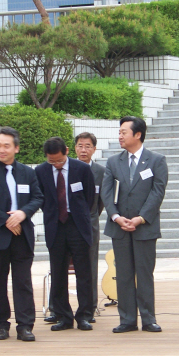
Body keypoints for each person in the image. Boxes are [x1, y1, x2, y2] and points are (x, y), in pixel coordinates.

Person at [0, 127, 43, 341]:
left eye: (6, 146)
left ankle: (25, 325)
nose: (1, 150)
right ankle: (0, 324)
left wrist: (22, 214)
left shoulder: (27, 172)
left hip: (22, 234)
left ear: (16, 148)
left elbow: (38, 198)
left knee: (22, 282)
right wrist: (6, 220)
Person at [101, 116, 167, 333]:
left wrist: (141, 218)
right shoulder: (113, 162)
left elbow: (157, 192)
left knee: (145, 273)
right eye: (119, 132)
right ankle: (127, 319)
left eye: (123, 132)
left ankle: (149, 319)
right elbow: (107, 193)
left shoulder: (156, 160)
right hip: (119, 226)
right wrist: (116, 216)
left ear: (137, 135)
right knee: (124, 274)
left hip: (145, 227)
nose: (120, 136)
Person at [35, 137, 95, 331]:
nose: (56, 164)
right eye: (51, 161)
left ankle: (85, 315)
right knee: (58, 273)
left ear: (67, 151)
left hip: (77, 225)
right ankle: (63, 316)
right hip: (55, 226)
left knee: (83, 272)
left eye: (59, 160)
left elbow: (89, 198)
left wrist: (78, 214)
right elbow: (41, 198)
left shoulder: (82, 169)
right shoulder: (41, 171)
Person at [75, 132, 105, 320]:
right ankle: (57, 308)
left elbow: (100, 201)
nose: (83, 150)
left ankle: (90, 308)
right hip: (68, 226)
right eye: (80, 145)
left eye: (87, 146)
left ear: (94, 149)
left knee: (90, 267)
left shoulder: (101, 172)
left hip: (90, 224)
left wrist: (91, 217)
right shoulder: (69, 168)